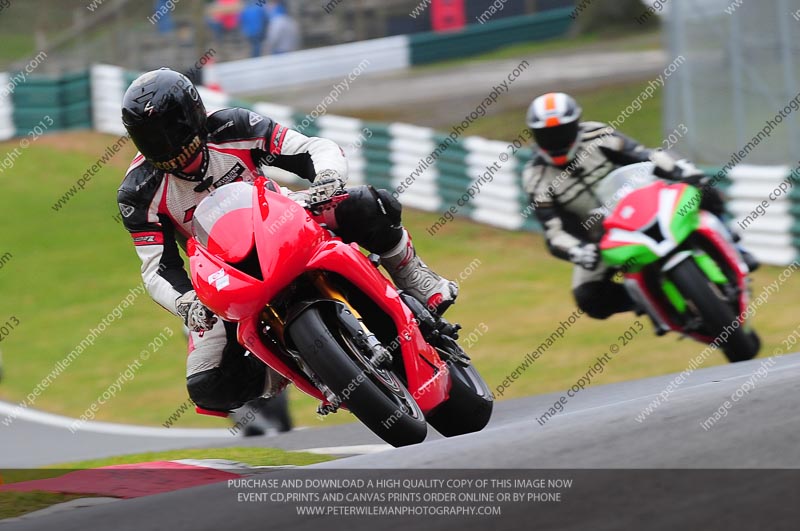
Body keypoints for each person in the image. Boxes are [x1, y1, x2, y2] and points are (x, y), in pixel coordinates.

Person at [117, 68, 457, 418]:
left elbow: (312, 148)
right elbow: (157, 267)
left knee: (373, 204)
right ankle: (287, 366)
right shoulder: (137, 192)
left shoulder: (234, 126)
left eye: (176, 135)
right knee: (207, 386)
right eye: (156, 141)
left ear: (194, 115)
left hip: (282, 222)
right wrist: (187, 303)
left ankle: (414, 277)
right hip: (225, 272)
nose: (172, 150)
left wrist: (327, 177)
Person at [522, 92, 758, 320]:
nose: (556, 140)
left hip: (643, 206)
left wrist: (682, 171)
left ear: (576, 125)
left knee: (704, 190)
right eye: (547, 135)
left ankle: (736, 246)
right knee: (588, 297)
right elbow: (553, 233)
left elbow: (646, 155)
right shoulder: (536, 177)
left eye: (561, 132)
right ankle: (648, 301)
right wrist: (579, 250)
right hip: (602, 241)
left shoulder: (598, 135)